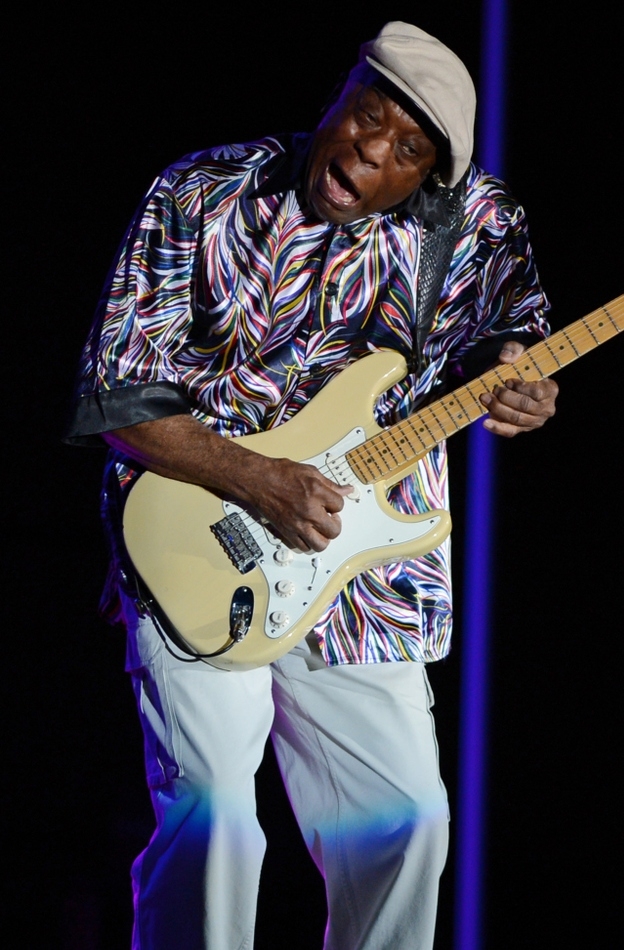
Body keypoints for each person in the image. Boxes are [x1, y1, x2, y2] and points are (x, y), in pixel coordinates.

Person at [66, 21, 558, 950]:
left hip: (368, 556)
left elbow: (512, 330)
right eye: (368, 115)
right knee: (215, 817)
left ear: (430, 178)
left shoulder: (478, 224)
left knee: (407, 822)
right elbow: (115, 395)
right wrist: (257, 479)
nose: (372, 150)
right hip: (200, 533)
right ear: (339, 96)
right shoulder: (203, 193)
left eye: (407, 150)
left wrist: (520, 373)